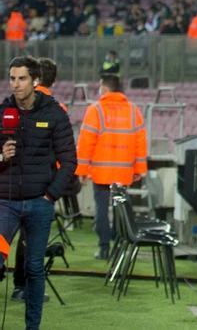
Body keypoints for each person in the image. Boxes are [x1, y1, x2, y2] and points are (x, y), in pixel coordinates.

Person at [1, 55, 77, 330]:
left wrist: (50, 196)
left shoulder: (55, 113)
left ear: (35, 81)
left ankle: (32, 327)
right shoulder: (3, 112)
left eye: (21, 78)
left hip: (39, 204)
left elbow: (69, 161)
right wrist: (1, 156)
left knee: (34, 268)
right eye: (12, 78)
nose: (16, 84)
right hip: (5, 204)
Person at [75, 75, 147, 261]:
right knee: (119, 211)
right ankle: (118, 247)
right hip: (123, 174)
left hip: (101, 173)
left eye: (99, 87)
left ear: (105, 89)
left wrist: (81, 172)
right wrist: (139, 169)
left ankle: (104, 247)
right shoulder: (133, 111)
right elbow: (140, 143)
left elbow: (85, 144)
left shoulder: (95, 110)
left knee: (101, 211)